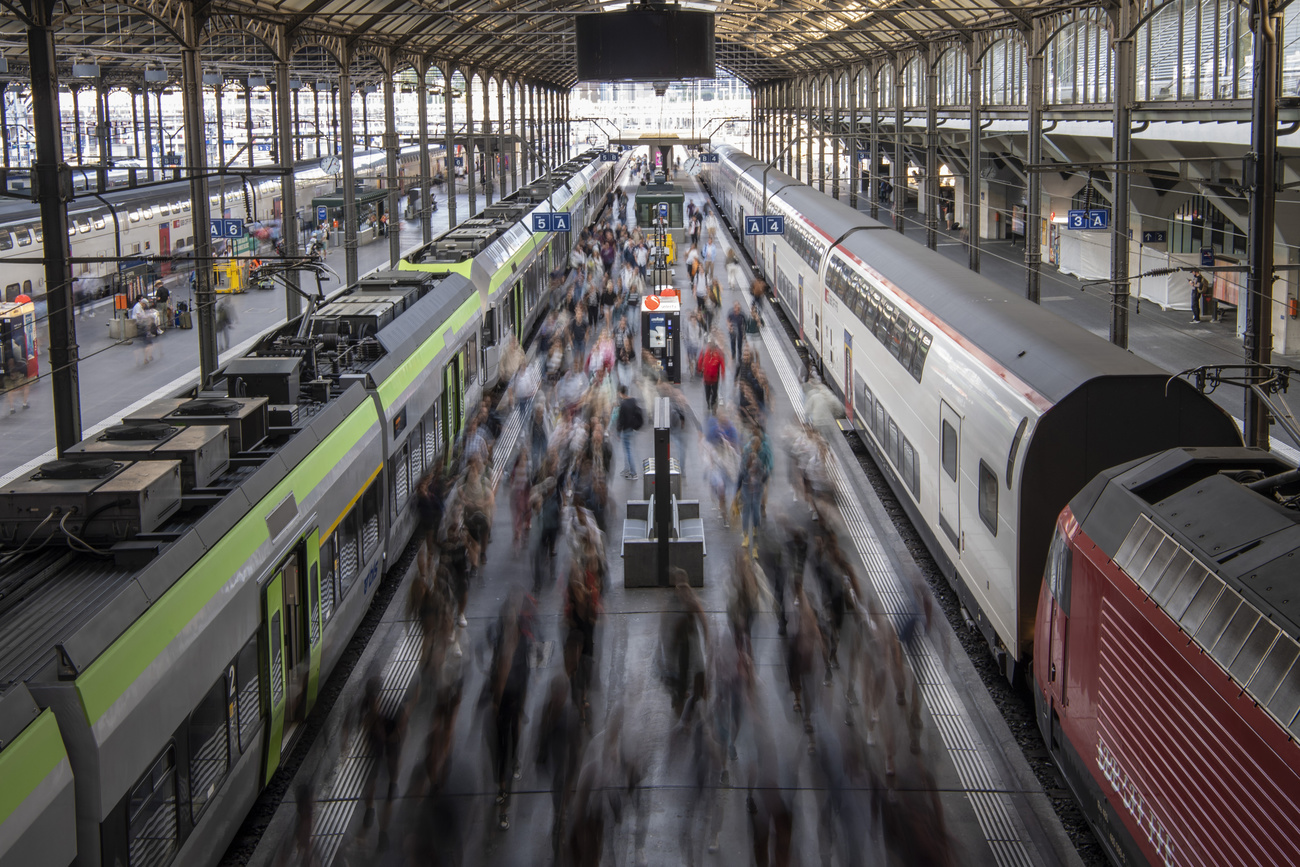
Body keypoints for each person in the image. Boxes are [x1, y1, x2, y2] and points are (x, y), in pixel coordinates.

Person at [614, 385, 644, 479]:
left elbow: (621, 419)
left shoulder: (623, 405)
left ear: (620, 393)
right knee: (629, 449)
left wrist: (618, 432)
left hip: (626, 430)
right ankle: (627, 469)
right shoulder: (633, 401)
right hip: (633, 429)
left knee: (628, 451)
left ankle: (633, 472)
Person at [698, 340, 726, 414]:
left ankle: (713, 402)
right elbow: (700, 359)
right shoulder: (704, 350)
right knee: (707, 391)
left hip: (715, 377)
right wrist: (700, 368)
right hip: (706, 377)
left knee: (715, 392)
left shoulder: (718, 352)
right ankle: (708, 402)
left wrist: (723, 374)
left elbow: (722, 363)